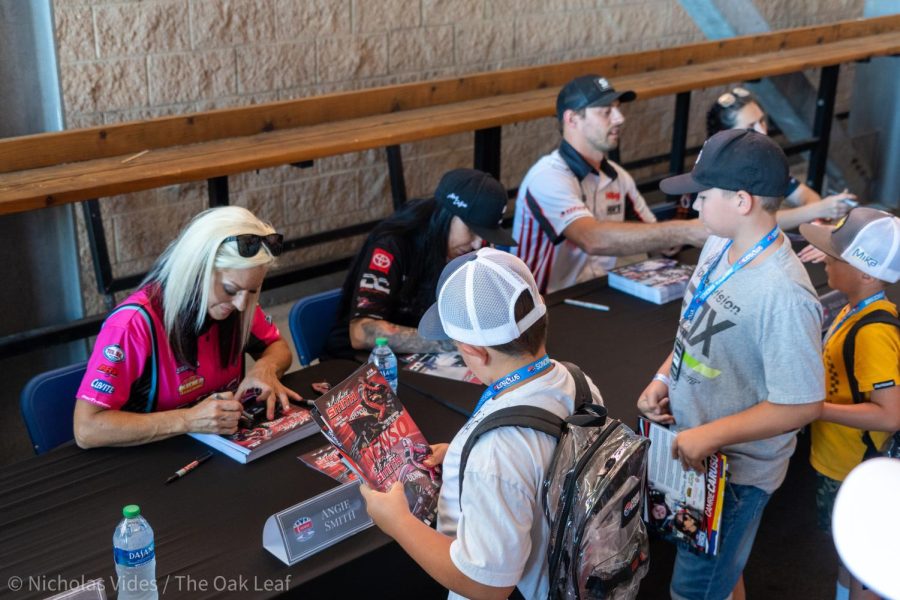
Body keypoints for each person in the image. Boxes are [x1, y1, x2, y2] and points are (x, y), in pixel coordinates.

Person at [637, 129, 825, 600]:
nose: (694, 205)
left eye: (703, 194)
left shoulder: (784, 294)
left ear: (742, 200)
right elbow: (695, 323)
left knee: (695, 588)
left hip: (736, 476)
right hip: (699, 452)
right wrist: (664, 377)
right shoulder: (719, 244)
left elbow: (801, 404)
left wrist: (710, 435)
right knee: (717, 575)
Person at [360, 248, 604, 599]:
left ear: (474, 351)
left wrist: (398, 522)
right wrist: (462, 457)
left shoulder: (498, 450)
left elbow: (484, 584)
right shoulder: (577, 381)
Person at [73, 206, 300, 448]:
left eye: (252, 291)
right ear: (196, 271)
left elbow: (277, 346)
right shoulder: (133, 325)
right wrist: (188, 420)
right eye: (230, 290)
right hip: (153, 459)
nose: (241, 304)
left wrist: (265, 367)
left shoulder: (237, 304)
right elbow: (86, 430)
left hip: (218, 448)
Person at [512, 73, 708, 293]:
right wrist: (685, 230)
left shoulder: (618, 176)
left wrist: (707, 216)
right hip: (544, 307)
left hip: (598, 293)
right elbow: (591, 239)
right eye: (606, 111)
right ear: (572, 119)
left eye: (617, 108)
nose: (619, 118)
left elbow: (659, 240)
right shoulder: (547, 177)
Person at [799, 207, 900, 600]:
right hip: (838, 461)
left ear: (867, 273)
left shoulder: (873, 332)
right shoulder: (854, 309)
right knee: (846, 559)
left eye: (834, 256)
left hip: (854, 468)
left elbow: (891, 414)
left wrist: (815, 409)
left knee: (865, 567)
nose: (824, 258)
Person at [325, 168, 515, 358]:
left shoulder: (475, 247)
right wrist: (453, 343)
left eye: (484, 234)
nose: (476, 242)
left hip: (424, 358)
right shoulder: (393, 246)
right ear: (446, 215)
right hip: (359, 361)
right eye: (472, 231)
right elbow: (361, 332)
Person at [705, 86, 856, 233]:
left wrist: (816, 219)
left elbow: (805, 195)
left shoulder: (762, 161)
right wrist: (817, 210)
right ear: (725, 135)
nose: (762, 131)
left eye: (762, 121)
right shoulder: (717, 173)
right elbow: (753, 222)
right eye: (751, 127)